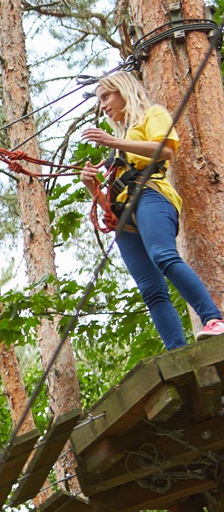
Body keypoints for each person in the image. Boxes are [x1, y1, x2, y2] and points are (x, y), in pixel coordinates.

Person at [79, 71, 224, 349]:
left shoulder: (151, 115)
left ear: (123, 91)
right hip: (124, 217)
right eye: (100, 100)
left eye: (106, 96)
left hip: (151, 196)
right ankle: (176, 350)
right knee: (151, 290)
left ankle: (212, 318)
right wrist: (93, 187)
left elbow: (165, 150)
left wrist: (114, 142)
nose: (104, 105)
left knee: (163, 255)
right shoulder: (117, 149)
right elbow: (109, 206)